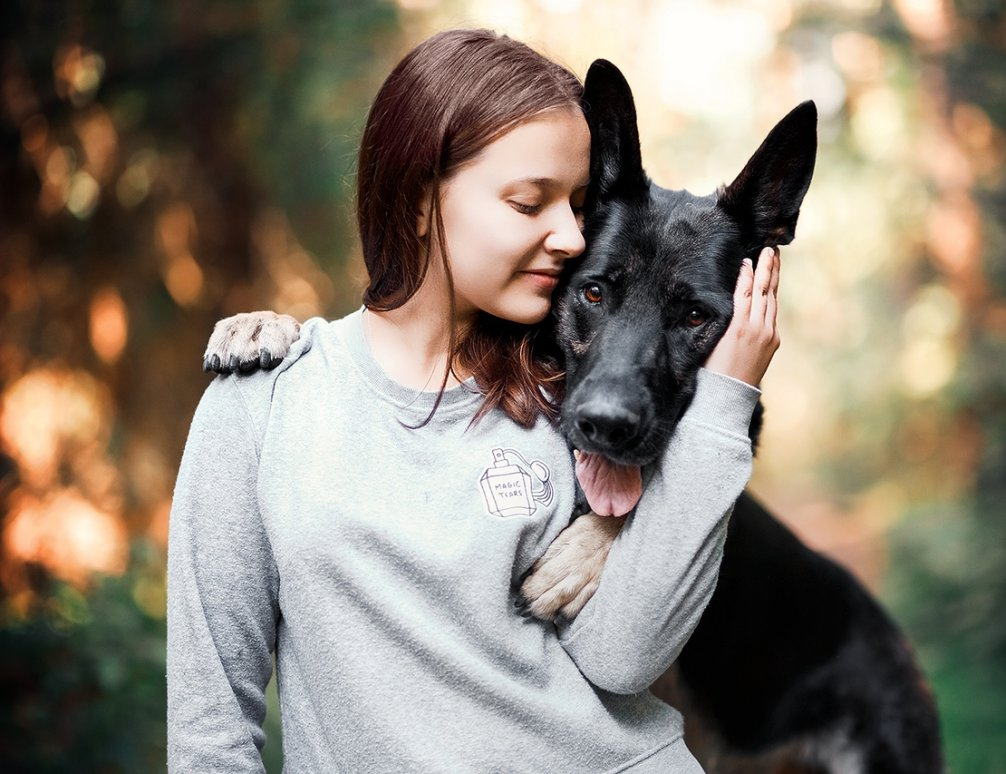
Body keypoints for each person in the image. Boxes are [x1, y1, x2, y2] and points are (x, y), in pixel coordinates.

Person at [166, 28, 781, 773]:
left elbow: (623, 659)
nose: (569, 234)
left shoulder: (569, 390)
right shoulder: (263, 396)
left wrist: (722, 397)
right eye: (530, 203)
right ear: (420, 197)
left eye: (581, 205)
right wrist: (276, 343)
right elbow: (210, 728)